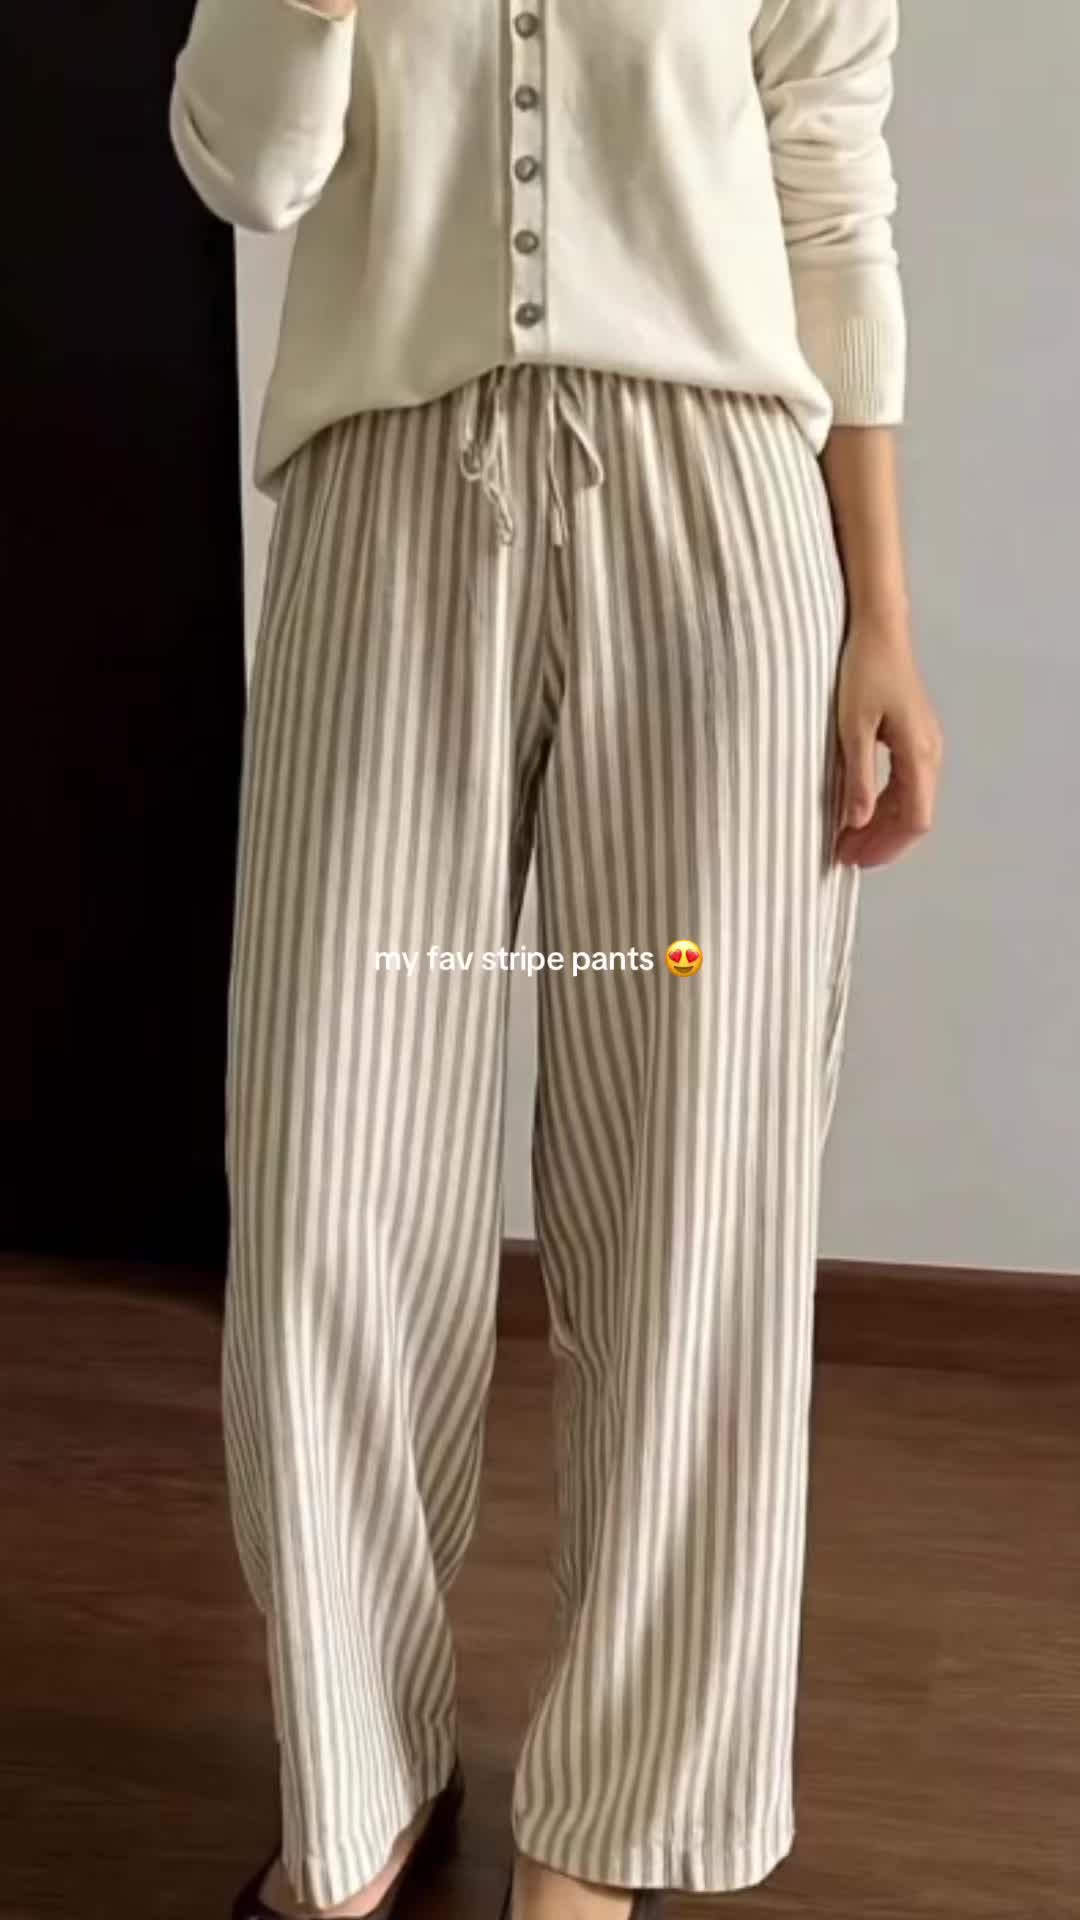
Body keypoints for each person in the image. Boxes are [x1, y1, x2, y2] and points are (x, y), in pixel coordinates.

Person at [168, 2, 943, 1917]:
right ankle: (358, 1781)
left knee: (696, 1195)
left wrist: (883, 619)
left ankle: (612, 1821)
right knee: (330, 1183)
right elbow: (244, 167)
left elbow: (832, 195)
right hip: (382, 505)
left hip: (718, 525)